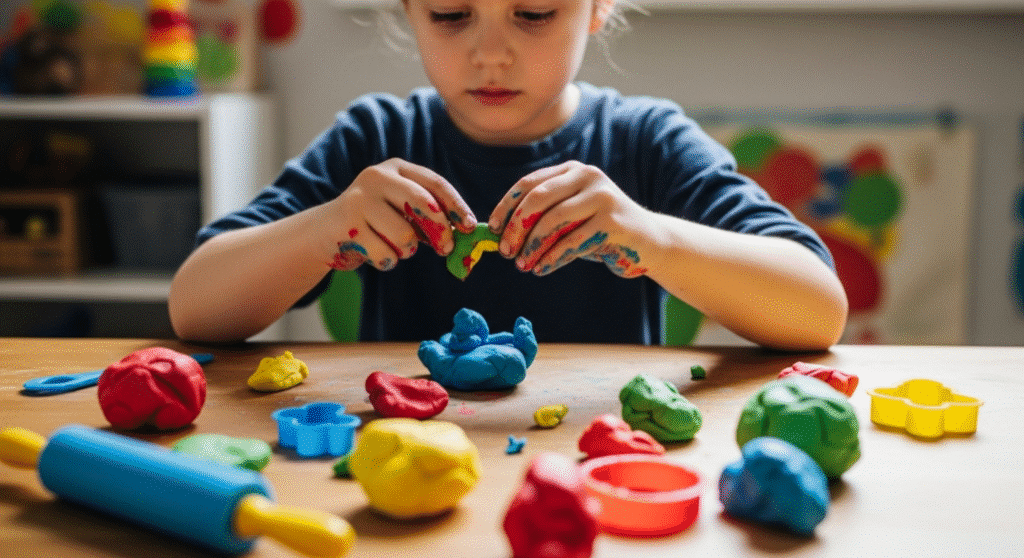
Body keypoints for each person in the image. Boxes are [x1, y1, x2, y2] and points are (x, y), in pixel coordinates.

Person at [168, 0, 848, 351]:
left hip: (598, 465)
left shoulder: (647, 142)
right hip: (411, 472)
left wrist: (654, 240)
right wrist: (320, 231)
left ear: (598, 7)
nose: (490, 54)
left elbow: (818, 309)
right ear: (408, 9)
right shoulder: (373, 139)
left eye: (533, 13)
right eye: (451, 14)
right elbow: (194, 307)